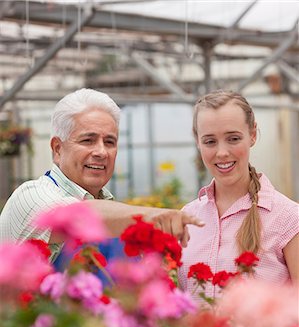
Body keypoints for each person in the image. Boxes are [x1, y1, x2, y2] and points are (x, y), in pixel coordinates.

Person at [0, 88, 203, 262]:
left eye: (110, 142)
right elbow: (76, 216)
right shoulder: (30, 196)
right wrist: (151, 216)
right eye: (88, 140)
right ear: (57, 149)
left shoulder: (113, 210)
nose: (101, 152)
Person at [178, 90, 299, 299]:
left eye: (233, 138)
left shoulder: (288, 219)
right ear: (197, 141)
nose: (222, 152)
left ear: (252, 134)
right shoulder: (187, 217)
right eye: (210, 141)